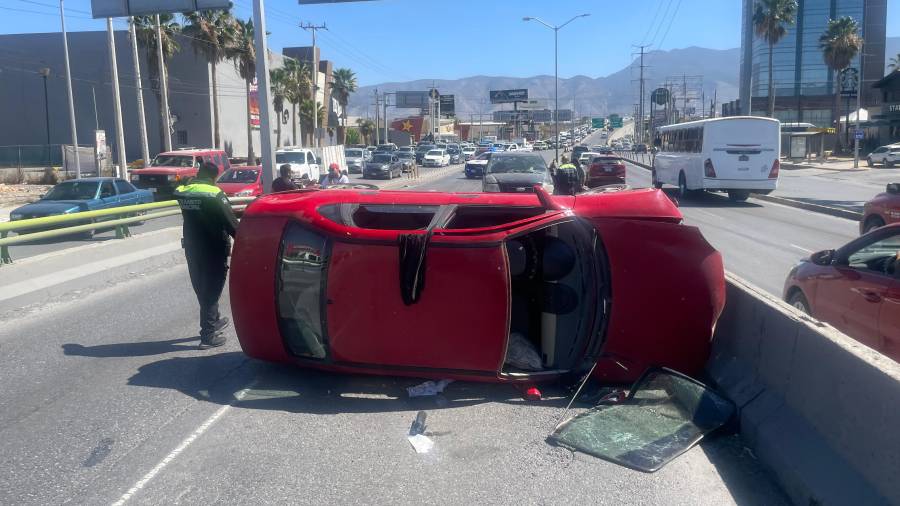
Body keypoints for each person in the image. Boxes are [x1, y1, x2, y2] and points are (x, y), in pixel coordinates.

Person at [174, 162, 239, 349]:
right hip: (214, 248)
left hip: (193, 248)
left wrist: (188, 179)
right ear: (215, 177)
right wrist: (246, 242)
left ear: (199, 173)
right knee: (211, 289)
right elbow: (232, 225)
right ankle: (208, 335)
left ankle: (215, 320)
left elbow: (177, 186)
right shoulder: (215, 194)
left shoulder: (183, 191)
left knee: (201, 284)